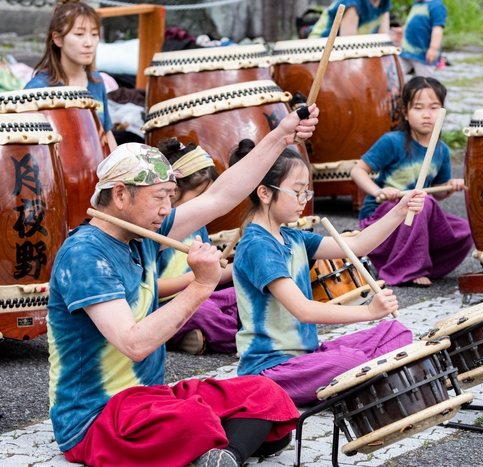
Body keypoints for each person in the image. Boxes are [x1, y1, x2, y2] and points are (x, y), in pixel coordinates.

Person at [46, 105, 319, 467]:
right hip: (96, 417)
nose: (166, 209)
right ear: (122, 195)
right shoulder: (85, 255)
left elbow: (220, 196)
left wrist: (280, 135)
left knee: (265, 392)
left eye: (170, 198)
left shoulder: (140, 234)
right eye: (159, 197)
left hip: (150, 398)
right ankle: (227, 443)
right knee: (195, 419)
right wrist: (200, 285)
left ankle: (225, 457)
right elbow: (134, 343)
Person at [231, 139, 426, 406]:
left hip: (308, 357)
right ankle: (361, 380)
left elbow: (356, 245)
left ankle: (357, 381)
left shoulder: (291, 236)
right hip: (270, 371)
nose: (304, 201)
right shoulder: (258, 246)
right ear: (265, 193)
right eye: (297, 192)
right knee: (352, 362)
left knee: (395, 332)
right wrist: (367, 313)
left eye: (307, 193)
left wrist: (400, 210)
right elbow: (304, 310)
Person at [351, 76, 473, 287]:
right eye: (418, 107)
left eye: (434, 107)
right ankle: (407, 269)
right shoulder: (392, 141)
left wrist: (449, 188)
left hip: (416, 216)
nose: (427, 114)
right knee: (419, 203)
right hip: (382, 215)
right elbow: (358, 171)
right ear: (406, 113)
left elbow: (436, 193)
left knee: (466, 231)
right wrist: (379, 191)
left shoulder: (441, 150)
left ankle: (419, 263)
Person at [156, 138, 238, 355]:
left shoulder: (197, 225)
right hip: (161, 307)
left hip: (199, 296)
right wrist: (196, 279)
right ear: (173, 191)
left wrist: (242, 268)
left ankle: (189, 335)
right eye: (202, 197)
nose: (206, 205)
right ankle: (249, 339)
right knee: (206, 314)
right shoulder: (153, 229)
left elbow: (213, 274)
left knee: (242, 297)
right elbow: (149, 287)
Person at [25, 0, 117, 151]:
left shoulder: (96, 82)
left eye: (94, 34)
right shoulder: (37, 89)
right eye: (79, 34)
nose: (89, 42)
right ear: (58, 39)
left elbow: (106, 134)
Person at [397, 0, 448, 77]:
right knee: (395, 73)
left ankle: (424, 88)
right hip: (407, 50)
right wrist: (403, 30)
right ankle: (395, 87)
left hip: (424, 54)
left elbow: (437, 29)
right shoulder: (417, 3)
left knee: (424, 79)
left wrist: (433, 48)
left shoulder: (437, 6)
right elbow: (412, 20)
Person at [308, 0, 391, 38]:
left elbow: (383, 36)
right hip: (320, 46)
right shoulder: (353, 3)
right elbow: (348, 42)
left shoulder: (385, 2)